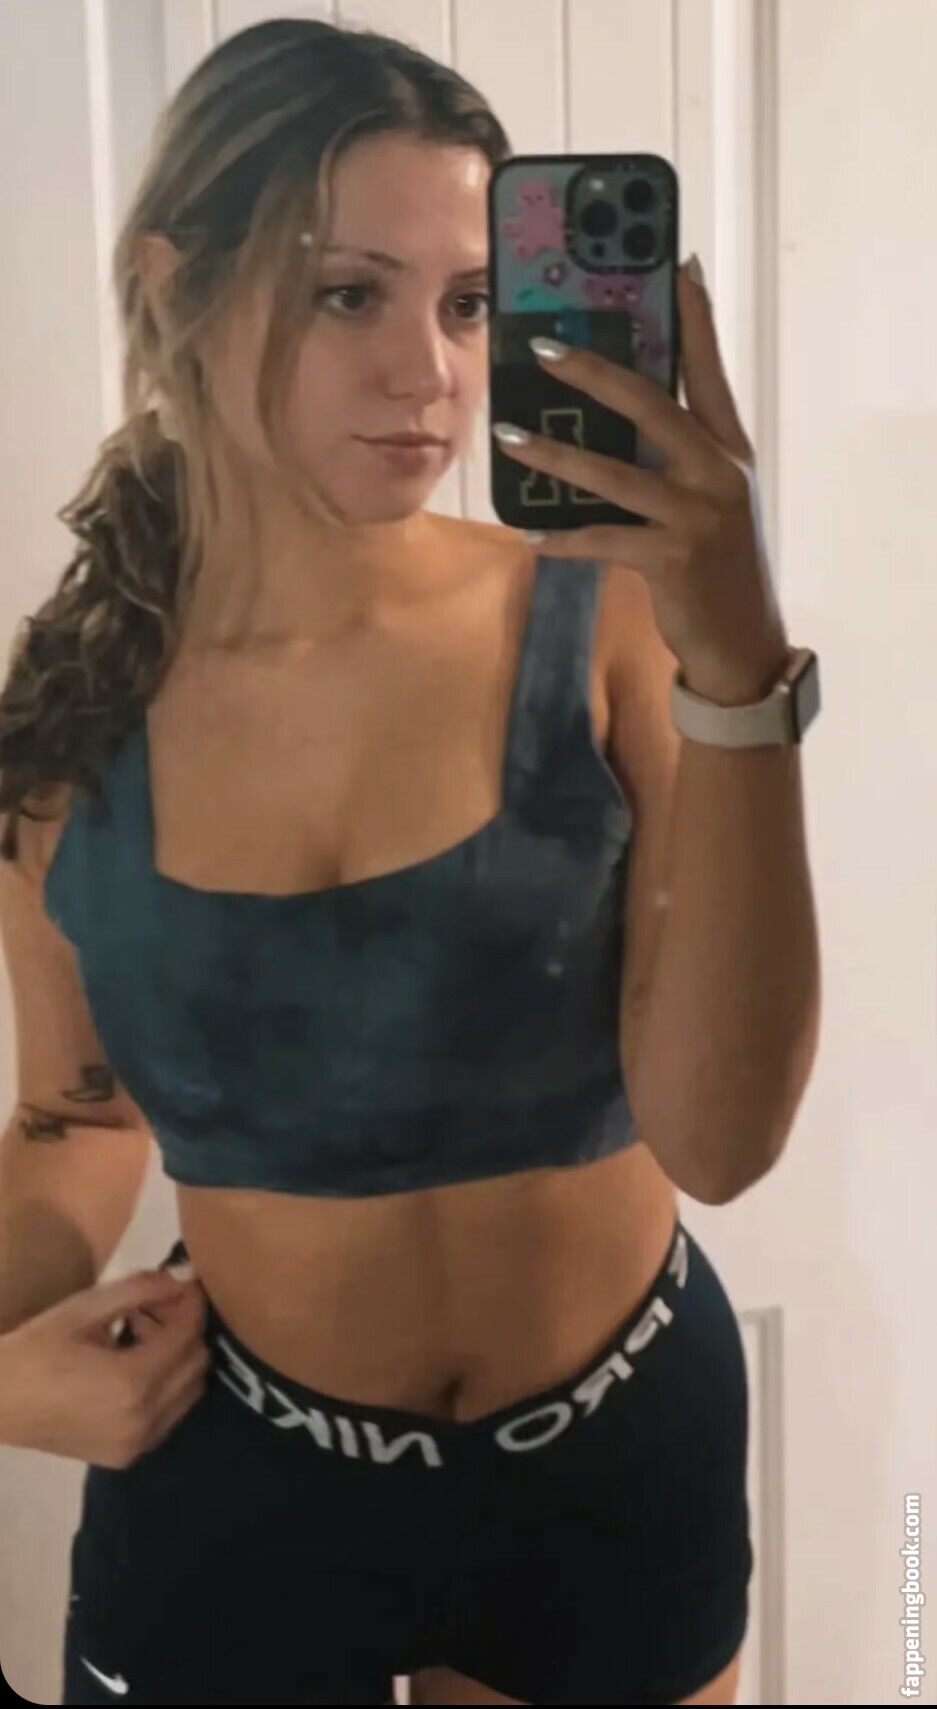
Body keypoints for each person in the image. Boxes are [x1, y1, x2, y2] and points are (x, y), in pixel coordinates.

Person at [0, 17, 821, 1708]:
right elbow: (77, 1118)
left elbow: (721, 1140)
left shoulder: (597, 620)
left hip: (613, 1467)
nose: (430, 375)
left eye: (466, 305)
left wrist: (737, 671)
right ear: (173, 288)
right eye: (346, 295)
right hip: (238, 1478)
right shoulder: (69, 717)